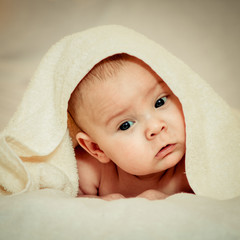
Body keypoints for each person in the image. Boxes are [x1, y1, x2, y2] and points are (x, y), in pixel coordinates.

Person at [68, 53, 193, 200]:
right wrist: (100, 204)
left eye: (160, 102)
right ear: (97, 148)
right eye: (125, 125)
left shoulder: (200, 163)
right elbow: (64, 207)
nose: (155, 127)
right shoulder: (88, 171)